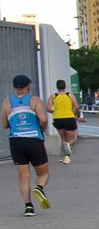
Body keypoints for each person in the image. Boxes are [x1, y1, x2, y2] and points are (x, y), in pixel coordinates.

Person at [5, 75, 51, 215]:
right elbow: (43, 119)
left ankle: (28, 207)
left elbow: (4, 124)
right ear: (28, 86)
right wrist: (42, 127)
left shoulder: (7, 102)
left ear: (14, 87)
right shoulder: (34, 100)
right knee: (43, 173)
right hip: (33, 139)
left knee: (23, 177)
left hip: (16, 141)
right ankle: (39, 187)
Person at [48, 79, 79, 163]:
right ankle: (67, 154)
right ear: (65, 86)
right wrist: (75, 114)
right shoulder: (69, 95)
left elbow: (48, 108)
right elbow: (76, 107)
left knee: (63, 138)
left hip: (58, 118)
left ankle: (65, 157)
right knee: (72, 139)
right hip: (69, 117)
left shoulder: (53, 96)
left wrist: (54, 111)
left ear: (57, 86)